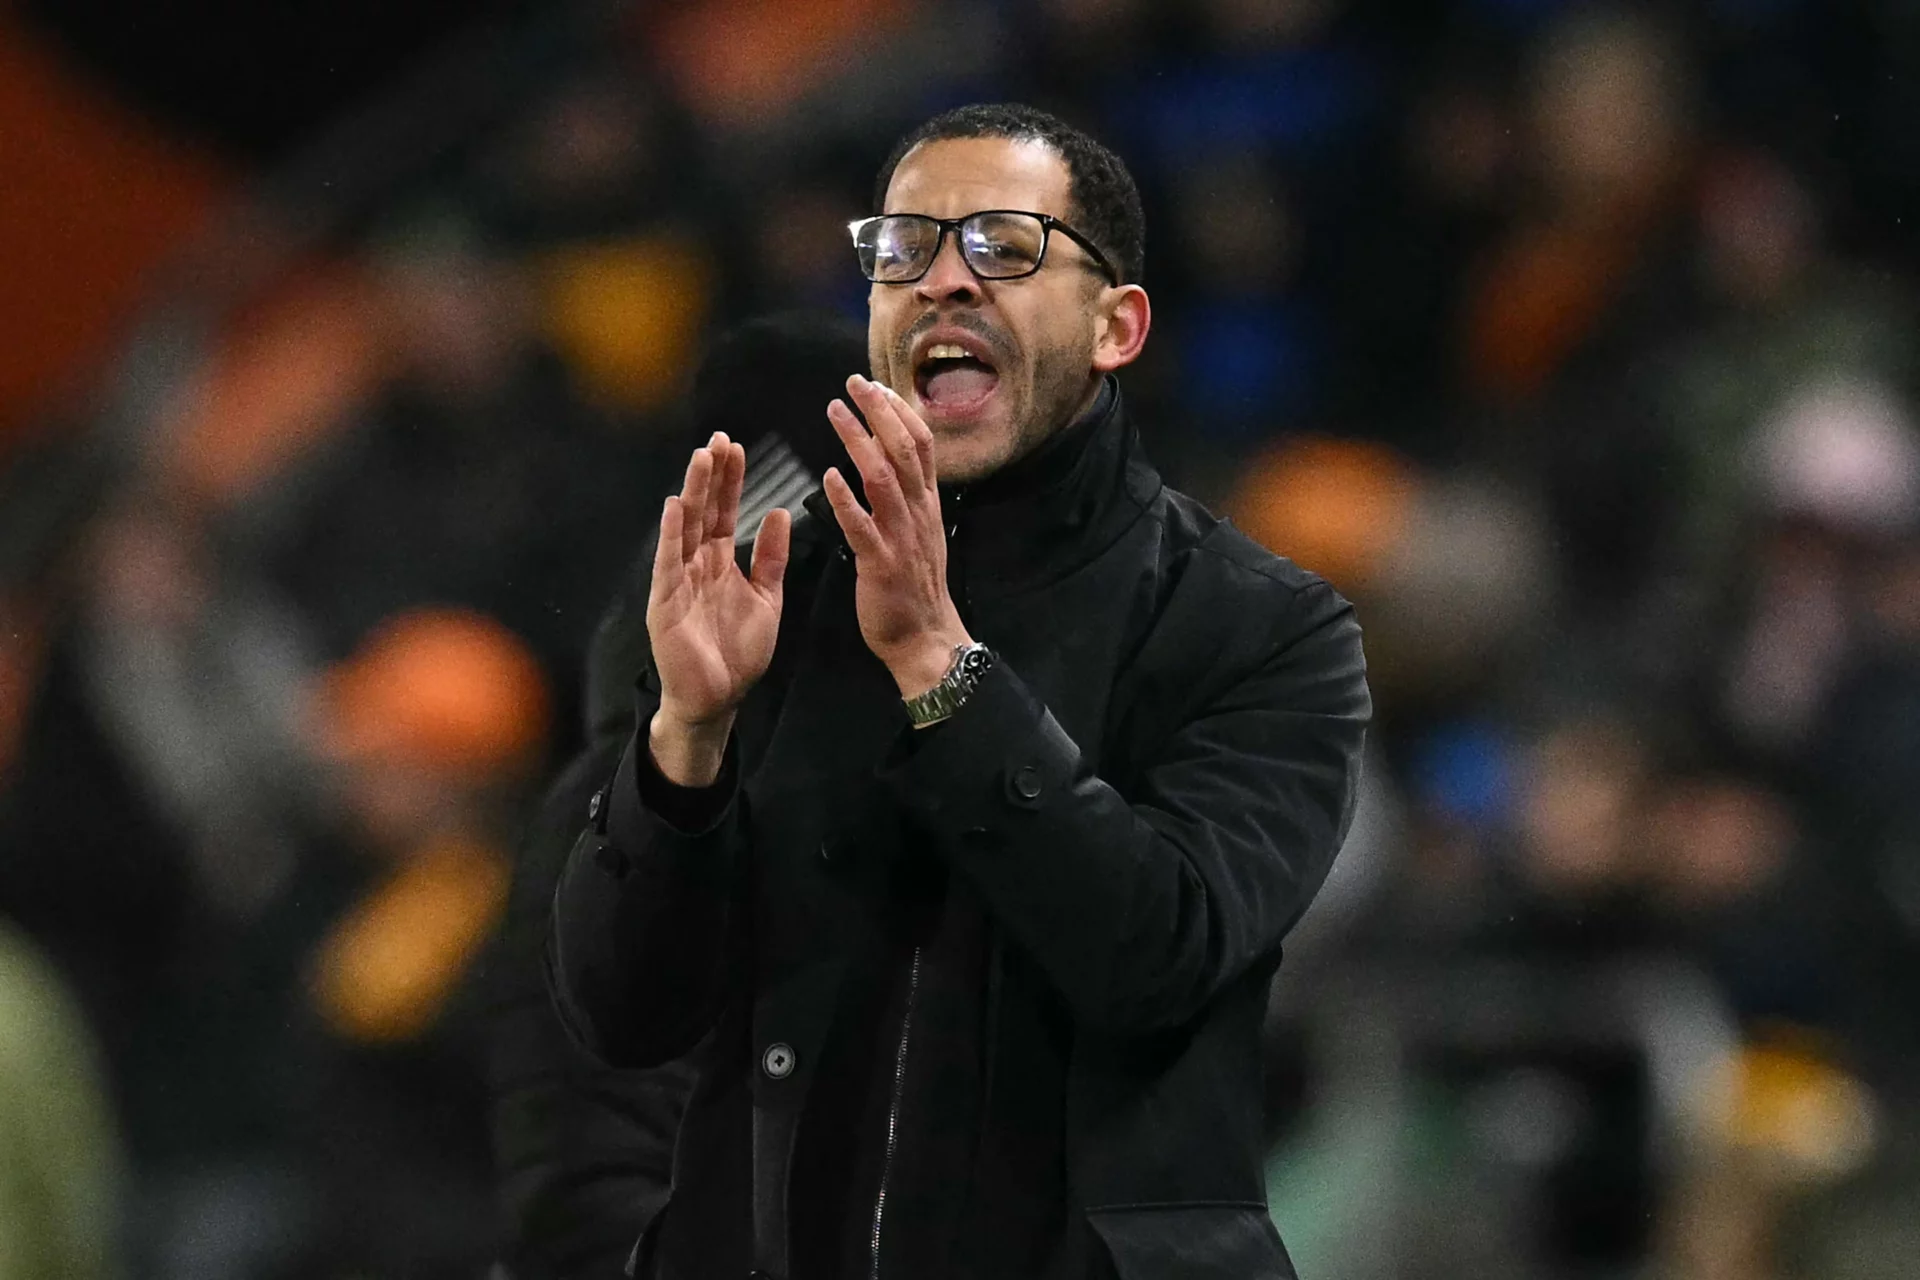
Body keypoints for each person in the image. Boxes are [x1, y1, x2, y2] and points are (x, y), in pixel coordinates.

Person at [548, 103, 1370, 1280]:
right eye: (902, 251)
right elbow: (623, 1015)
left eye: (1002, 246)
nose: (942, 280)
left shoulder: (1262, 629)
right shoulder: (777, 594)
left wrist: (943, 668)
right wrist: (683, 740)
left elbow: (1156, 958)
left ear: (1116, 326)